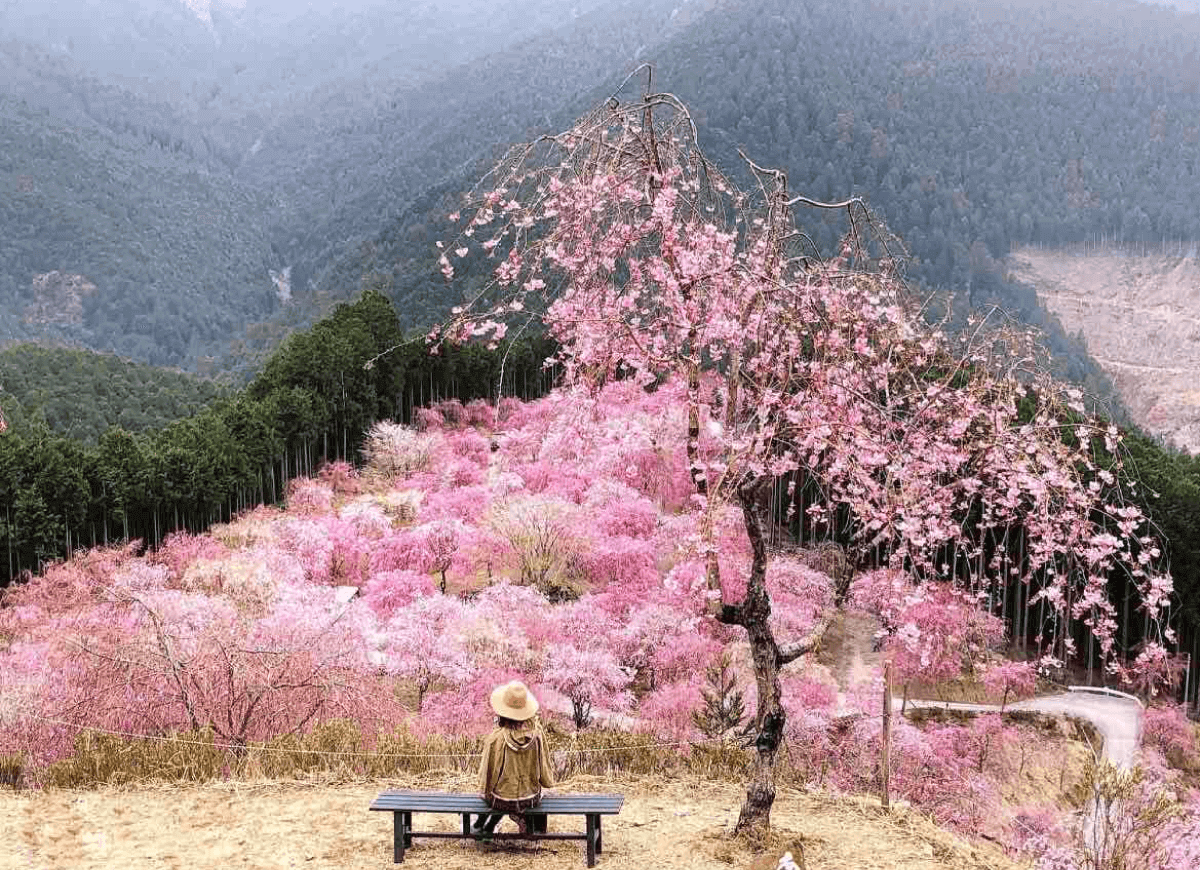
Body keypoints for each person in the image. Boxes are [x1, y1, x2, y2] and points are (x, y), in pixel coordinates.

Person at [472, 680, 556, 840]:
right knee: (509, 793)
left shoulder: (496, 738)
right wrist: (547, 782)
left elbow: (488, 776)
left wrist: (485, 791)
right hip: (530, 797)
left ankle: (482, 826)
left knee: (497, 794)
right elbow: (544, 768)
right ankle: (491, 825)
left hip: (502, 799)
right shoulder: (537, 735)